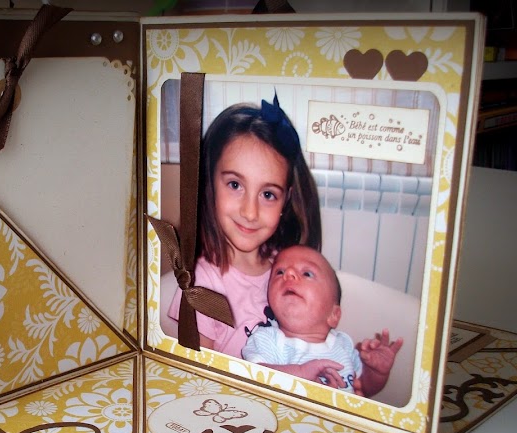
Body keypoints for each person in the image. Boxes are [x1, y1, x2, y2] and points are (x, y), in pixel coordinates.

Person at [167, 93, 321, 359]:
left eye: (268, 194)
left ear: (286, 199)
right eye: (235, 185)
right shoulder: (203, 286)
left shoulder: (287, 269)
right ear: (209, 183)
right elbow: (197, 373)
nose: (250, 212)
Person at [242, 245, 402, 398]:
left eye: (307, 274)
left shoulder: (343, 345)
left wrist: (377, 373)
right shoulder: (267, 340)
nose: (289, 273)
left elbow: (363, 387)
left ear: (334, 315)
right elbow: (253, 377)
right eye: (279, 272)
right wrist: (300, 373)